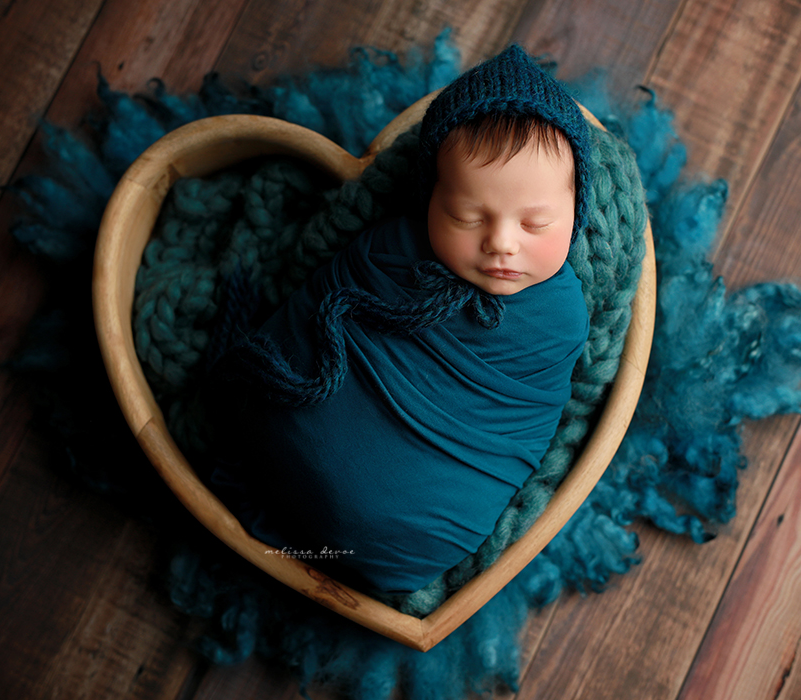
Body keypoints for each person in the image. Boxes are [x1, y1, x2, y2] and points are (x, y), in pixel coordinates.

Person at [203, 44, 591, 594]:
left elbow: (530, 424)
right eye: (466, 215)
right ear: (428, 198)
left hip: (409, 536)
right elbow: (316, 305)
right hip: (280, 446)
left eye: (536, 224)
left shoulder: (561, 317)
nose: (501, 244)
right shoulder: (391, 251)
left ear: (577, 213)